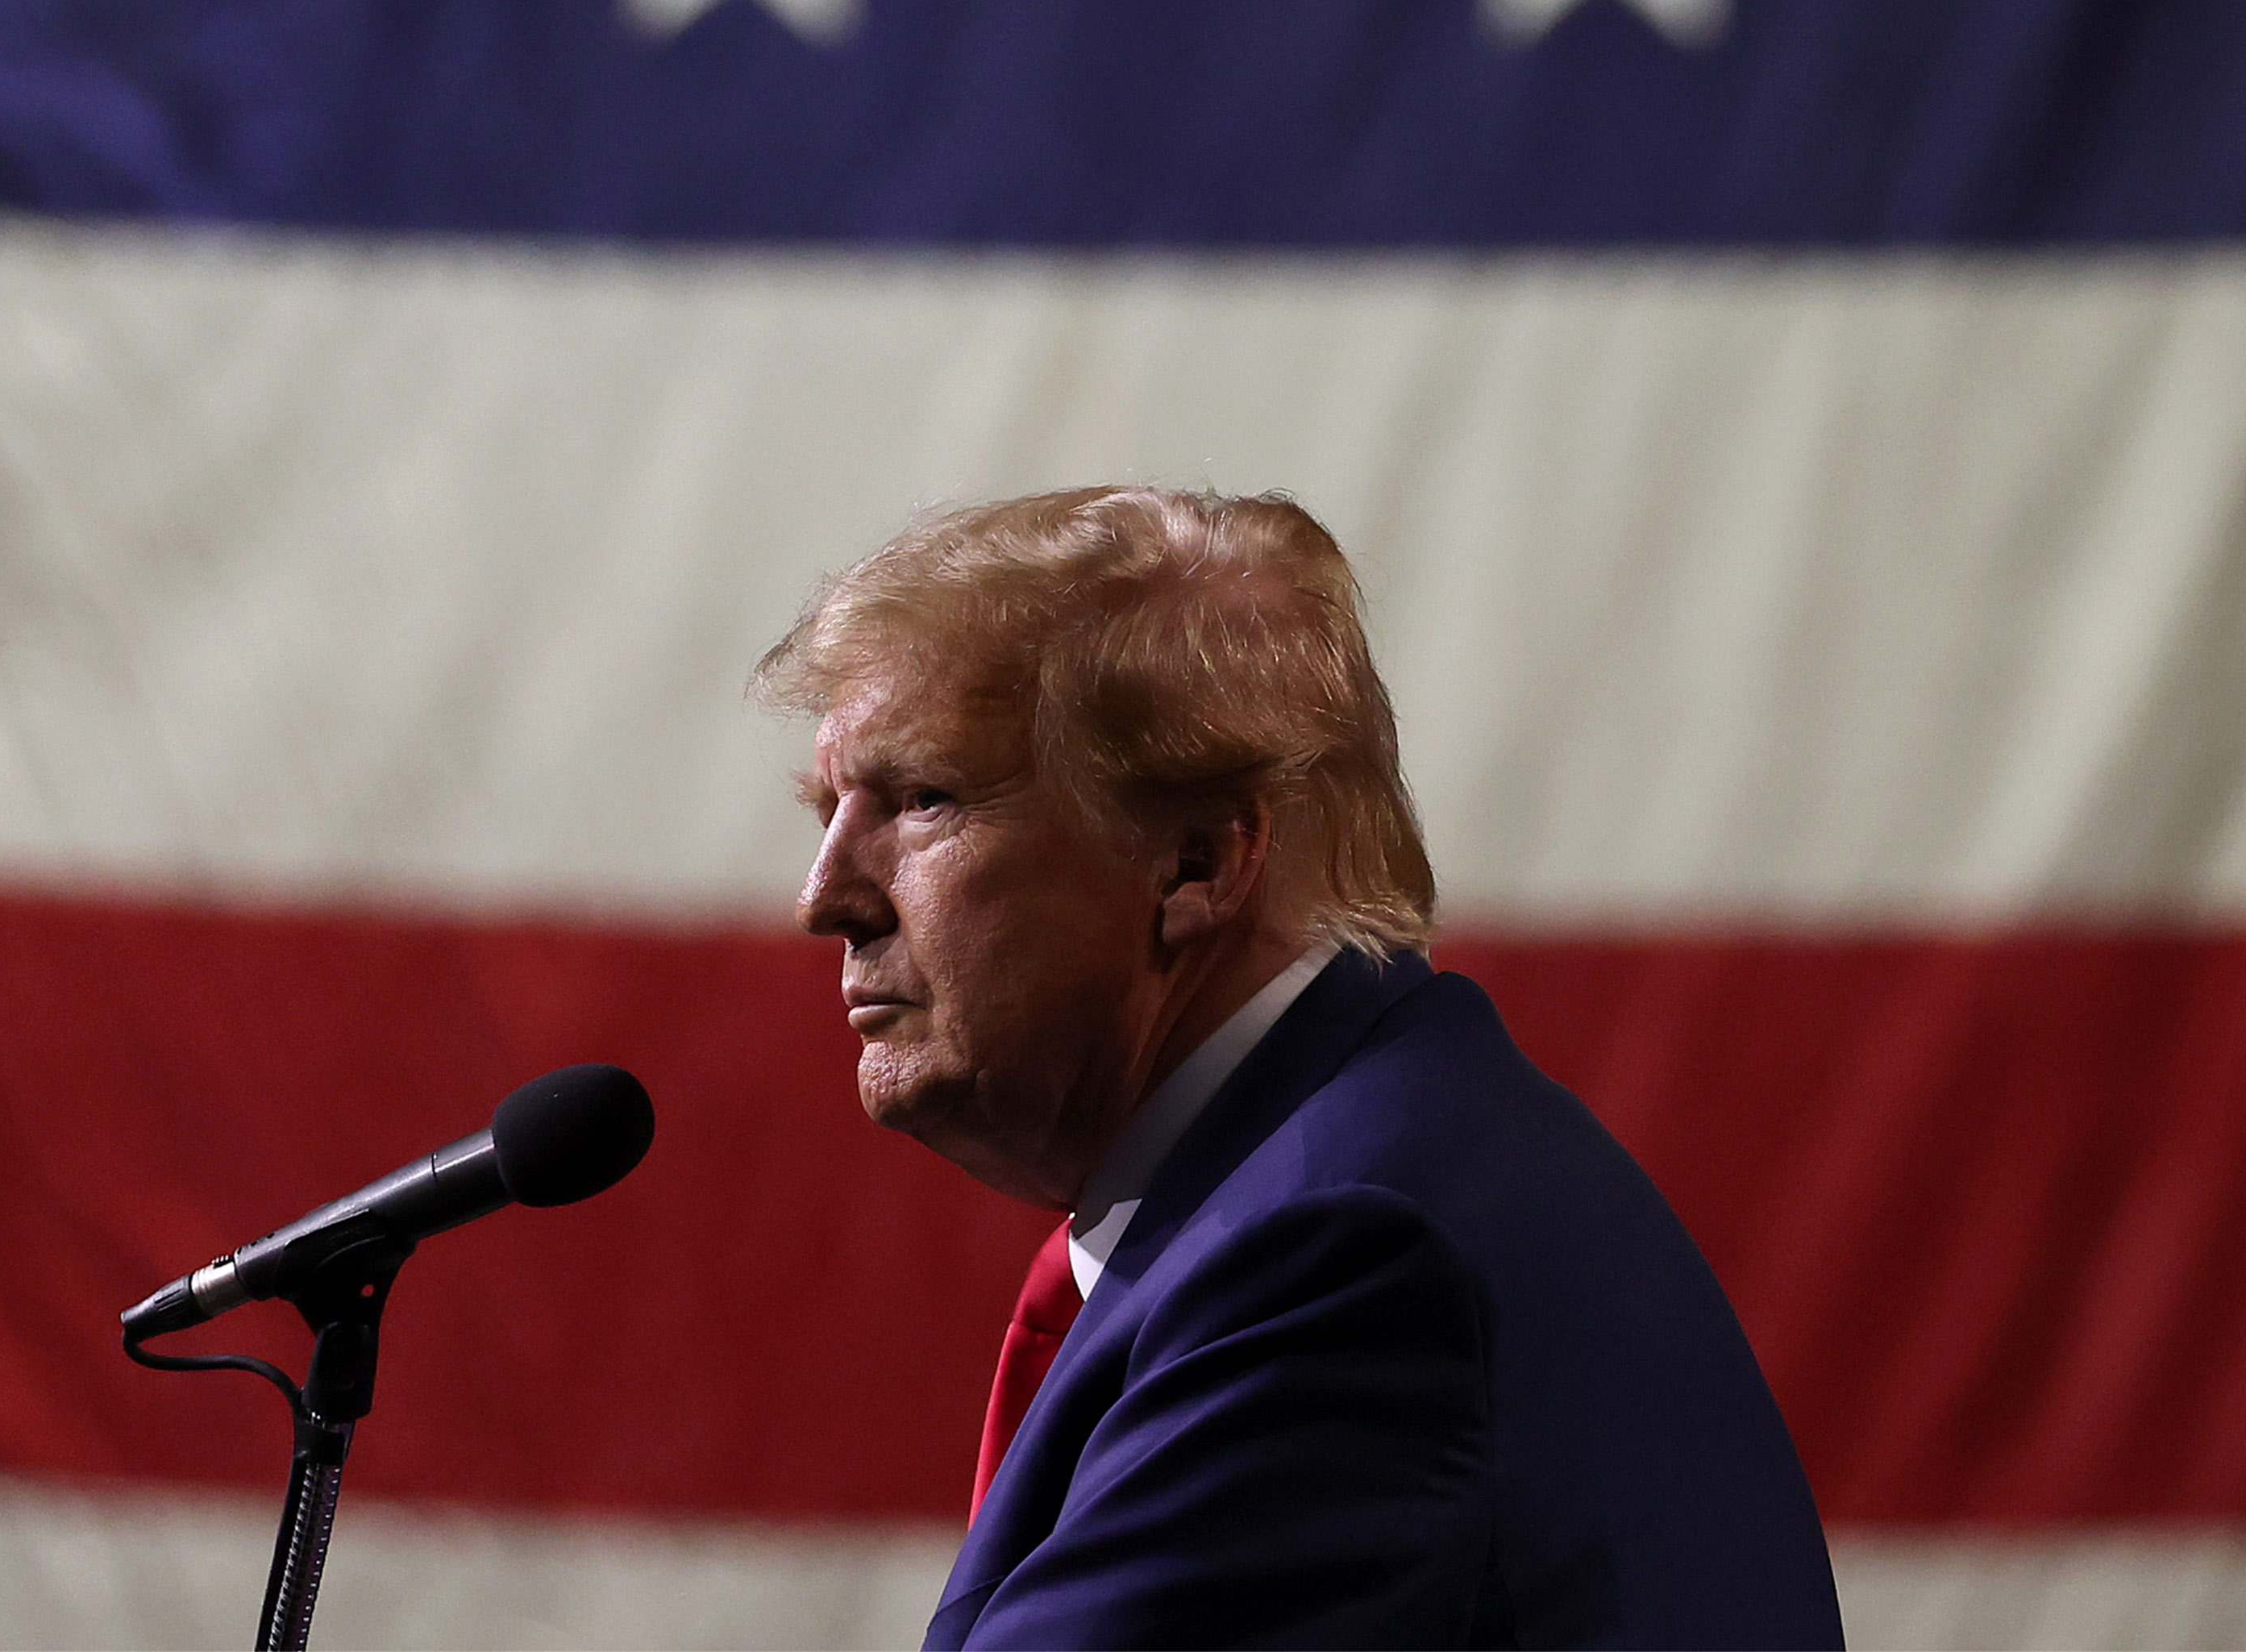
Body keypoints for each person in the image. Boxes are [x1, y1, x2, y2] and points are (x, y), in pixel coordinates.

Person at [756, 486, 1841, 1650]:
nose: (827, 897)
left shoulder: (1340, 1256)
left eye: (924, 800)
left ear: (1198, 862)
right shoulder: (1356, 1169)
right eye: (829, 810)